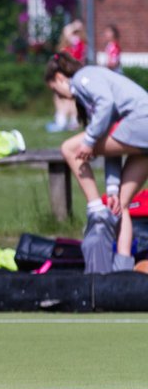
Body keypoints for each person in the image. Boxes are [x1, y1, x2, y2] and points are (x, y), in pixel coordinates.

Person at [45, 52, 148, 269]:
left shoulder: (84, 77)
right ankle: (123, 269)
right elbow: (112, 148)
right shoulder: (94, 86)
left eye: (56, 90)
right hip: (142, 132)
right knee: (122, 203)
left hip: (141, 123)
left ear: (60, 77)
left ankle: (95, 207)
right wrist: (111, 188)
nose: (61, 97)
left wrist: (90, 140)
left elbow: (106, 102)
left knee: (69, 148)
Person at [49, 21, 88, 132]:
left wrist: (73, 27)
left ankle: (62, 121)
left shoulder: (75, 45)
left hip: (70, 76)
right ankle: (72, 121)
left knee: (63, 97)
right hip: (74, 75)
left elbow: (66, 32)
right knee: (71, 98)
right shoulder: (78, 44)